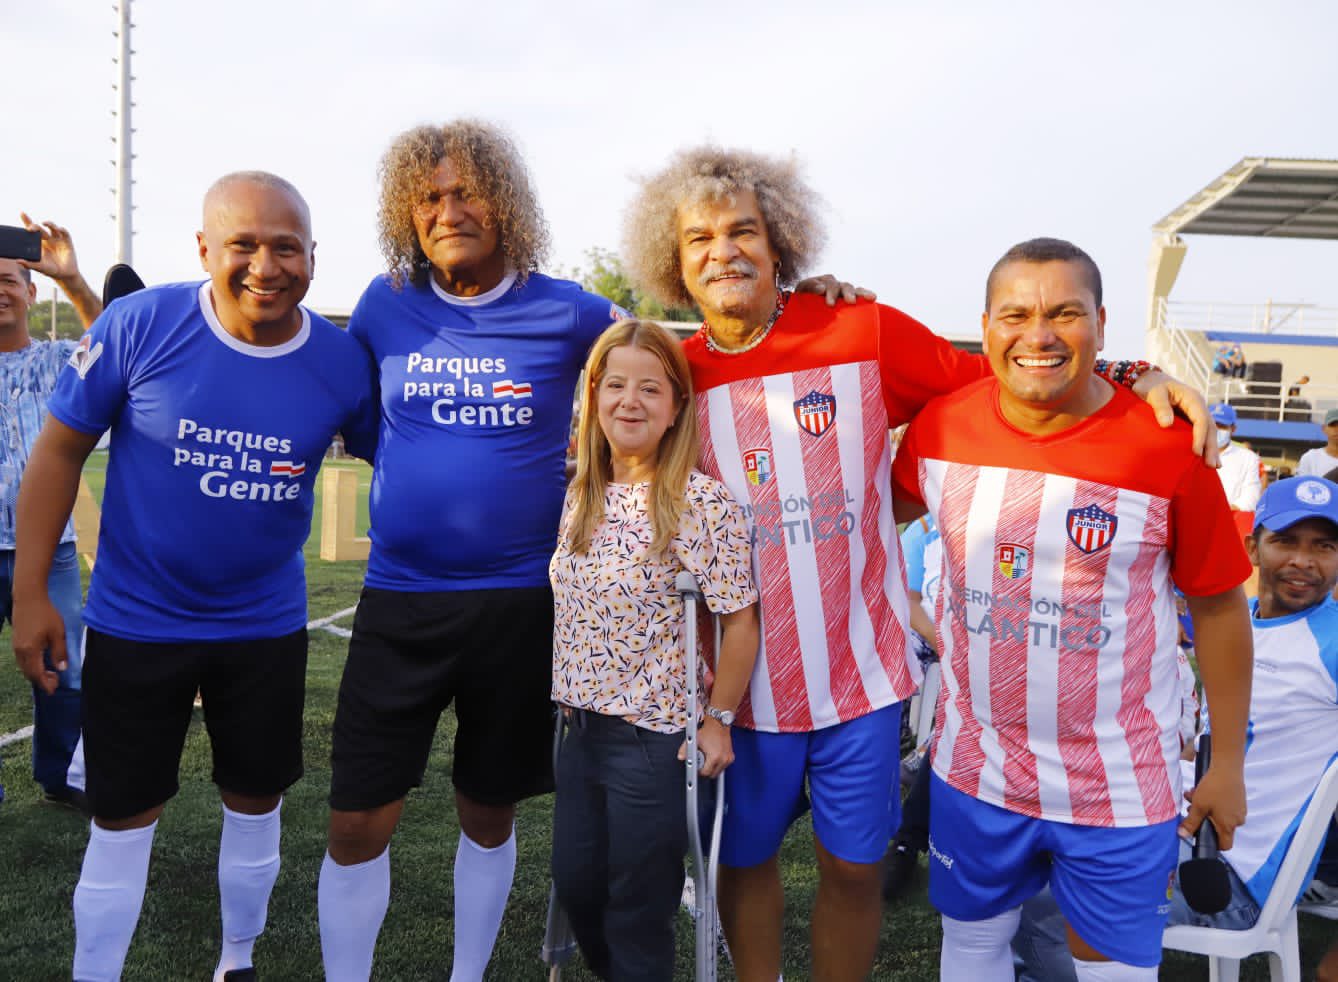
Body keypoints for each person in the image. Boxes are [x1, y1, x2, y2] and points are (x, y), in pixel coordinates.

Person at [621, 147, 1218, 981]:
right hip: (740, 683)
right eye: (699, 239)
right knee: (741, 861)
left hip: (861, 679)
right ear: (674, 263)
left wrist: (1134, 370)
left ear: (780, 242)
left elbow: (1010, 373)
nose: (724, 251)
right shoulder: (680, 375)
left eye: (743, 230)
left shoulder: (861, 329)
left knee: (857, 867)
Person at [316, 120, 854, 982]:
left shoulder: (566, 308)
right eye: (430, 196)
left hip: (520, 609)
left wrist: (799, 301)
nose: (449, 210)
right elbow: (359, 418)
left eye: (468, 192)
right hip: (403, 599)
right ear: (405, 214)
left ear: (507, 203)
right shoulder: (383, 304)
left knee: (491, 811)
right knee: (356, 822)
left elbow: (679, 353)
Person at [12, 171, 378, 982]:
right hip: (138, 624)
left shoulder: (340, 362)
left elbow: (402, 455)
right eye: (242, 244)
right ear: (204, 248)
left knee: (256, 801)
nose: (265, 265)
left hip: (265, 628)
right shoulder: (142, 323)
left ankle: (237, 960)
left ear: (314, 256)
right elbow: (60, 450)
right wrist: (31, 591)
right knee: (121, 816)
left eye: (287, 247)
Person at [889, 237, 1254, 981]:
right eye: (1017, 314)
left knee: (1112, 968)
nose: (1040, 334)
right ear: (987, 325)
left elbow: (1219, 611)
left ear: (1102, 323)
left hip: (1118, 780)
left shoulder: (1168, 447)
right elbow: (867, 529)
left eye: (1066, 313)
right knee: (973, 945)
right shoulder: (939, 429)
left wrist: (1229, 765)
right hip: (976, 768)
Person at [1013, 475, 1338, 979]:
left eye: (1325, 546)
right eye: (1286, 541)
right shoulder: (1238, 622)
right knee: (1018, 860)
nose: (1304, 561)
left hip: (1232, 878)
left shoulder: (1332, 642)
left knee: (1049, 905)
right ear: (1254, 547)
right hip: (1173, 821)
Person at [549, 319, 759, 979]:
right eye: (615, 385)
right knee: (578, 888)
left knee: (637, 912)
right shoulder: (581, 490)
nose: (629, 402)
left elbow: (740, 622)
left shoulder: (701, 502)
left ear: (675, 409)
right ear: (593, 395)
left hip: (652, 741)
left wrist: (719, 719)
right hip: (576, 731)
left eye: (649, 389)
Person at [0, 215, 102, 811]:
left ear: (31, 291)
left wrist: (74, 280)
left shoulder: (64, 359)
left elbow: (118, 346)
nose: (1, 288)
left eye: (11, 278)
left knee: (64, 668)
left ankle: (61, 777)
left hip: (51, 550)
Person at [1210, 402, 1264, 540]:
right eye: (1212, 423)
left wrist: (1224, 510)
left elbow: (1251, 498)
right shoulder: (1191, 451)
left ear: (1233, 428)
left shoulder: (1248, 458)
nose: (1216, 429)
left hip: (1230, 526)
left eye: (1222, 426)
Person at [1299, 409, 1338, 477]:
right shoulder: (1310, 458)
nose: (1337, 429)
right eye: (1333, 425)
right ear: (1324, 429)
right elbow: (1303, 486)